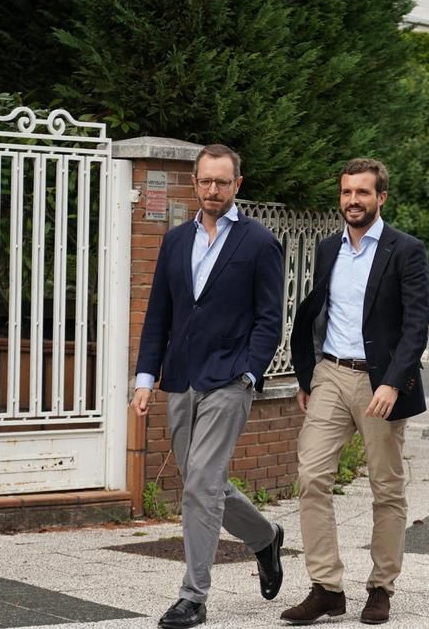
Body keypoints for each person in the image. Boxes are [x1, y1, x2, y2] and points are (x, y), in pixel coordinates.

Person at [131, 144, 286, 629]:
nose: (213, 190)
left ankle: (192, 597)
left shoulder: (259, 243)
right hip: (181, 378)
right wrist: (144, 377)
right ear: (194, 184)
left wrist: (249, 373)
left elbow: (269, 318)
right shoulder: (176, 241)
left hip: (229, 379)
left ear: (237, 184)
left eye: (222, 182)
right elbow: (159, 313)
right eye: (205, 181)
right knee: (204, 483)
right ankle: (265, 537)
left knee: (200, 484)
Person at [283, 158, 429, 626]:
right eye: (347, 193)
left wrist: (392, 382)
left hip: (379, 382)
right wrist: (308, 376)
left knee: (386, 487)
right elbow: (316, 311)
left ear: (381, 197)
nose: (353, 201)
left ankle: (381, 586)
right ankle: (326, 586)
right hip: (330, 372)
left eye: (362, 193)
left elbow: (416, 325)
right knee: (311, 477)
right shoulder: (329, 249)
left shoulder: (405, 250)